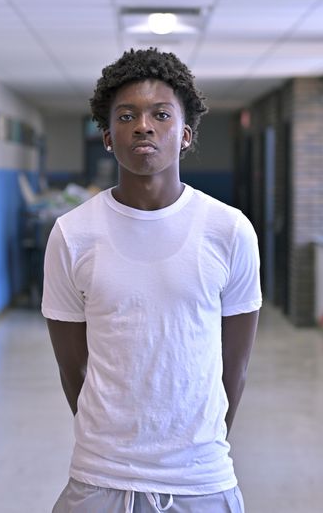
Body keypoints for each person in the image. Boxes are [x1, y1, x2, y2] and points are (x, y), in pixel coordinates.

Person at [42, 47, 262, 513]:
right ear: (107, 137)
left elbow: (234, 369)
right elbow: (72, 370)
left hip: (201, 478)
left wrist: (195, 447)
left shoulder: (229, 231)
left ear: (184, 135)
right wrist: (114, 443)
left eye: (160, 114)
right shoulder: (72, 235)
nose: (144, 125)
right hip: (99, 476)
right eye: (126, 116)